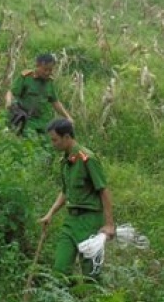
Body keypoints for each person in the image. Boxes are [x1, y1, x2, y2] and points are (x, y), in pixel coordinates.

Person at [40, 119, 115, 279]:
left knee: (91, 275)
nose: (53, 144)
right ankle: (64, 301)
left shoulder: (87, 158)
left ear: (67, 137)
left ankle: (92, 301)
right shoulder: (65, 161)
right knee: (59, 271)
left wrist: (109, 224)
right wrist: (50, 213)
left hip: (90, 221)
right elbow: (66, 191)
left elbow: (104, 191)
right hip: (71, 221)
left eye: (55, 140)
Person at [5, 53, 73, 135]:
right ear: (37, 66)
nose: (47, 73)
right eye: (45, 69)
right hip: (26, 120)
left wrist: (67, 117)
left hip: (43, 122)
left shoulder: (50, 82)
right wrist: (8, 102)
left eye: (50, 70)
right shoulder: (26, 77)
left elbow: (55, 102)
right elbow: (11, 92)